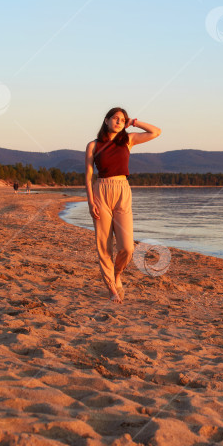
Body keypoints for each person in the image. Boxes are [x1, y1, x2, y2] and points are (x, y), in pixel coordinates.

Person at [85, 107, 161, 303]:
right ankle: (111, 288)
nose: (119, 122)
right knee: (104, 245)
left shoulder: (127, 141)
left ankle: (117, 274)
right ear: (107, 120)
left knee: (128, 248)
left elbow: (156, 132)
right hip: (101, 190)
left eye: (122, 120)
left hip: (122, 190)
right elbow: (88, 175)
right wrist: (90, 201)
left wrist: (134, 122)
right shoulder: (93, 145)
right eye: (115, 118)